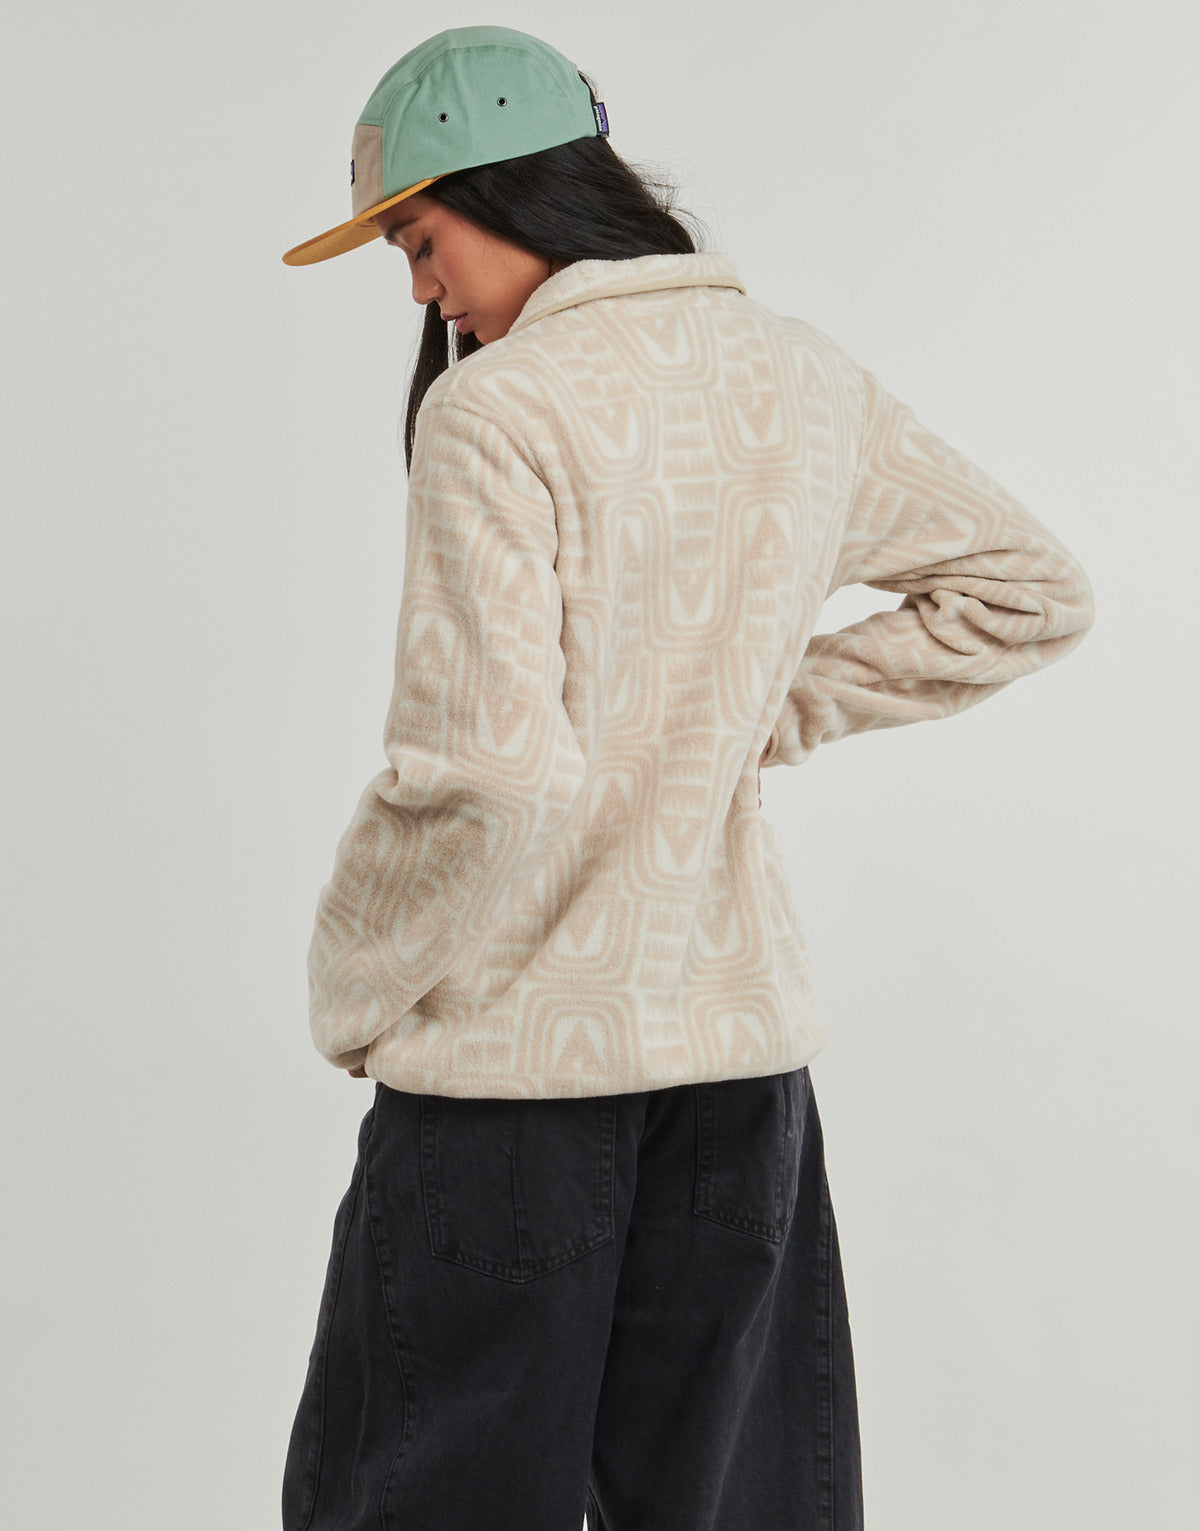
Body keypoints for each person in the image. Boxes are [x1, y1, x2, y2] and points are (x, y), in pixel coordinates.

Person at [278, 25, 1095, 1531]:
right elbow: (1029, 592)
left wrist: (356, 980)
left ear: (508, 190)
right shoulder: (798, 374)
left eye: (418, 238)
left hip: (511, 1085)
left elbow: (487, 777)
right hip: (737, 1080)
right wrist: (745, 711)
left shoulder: (498, 408)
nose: (419, 290)